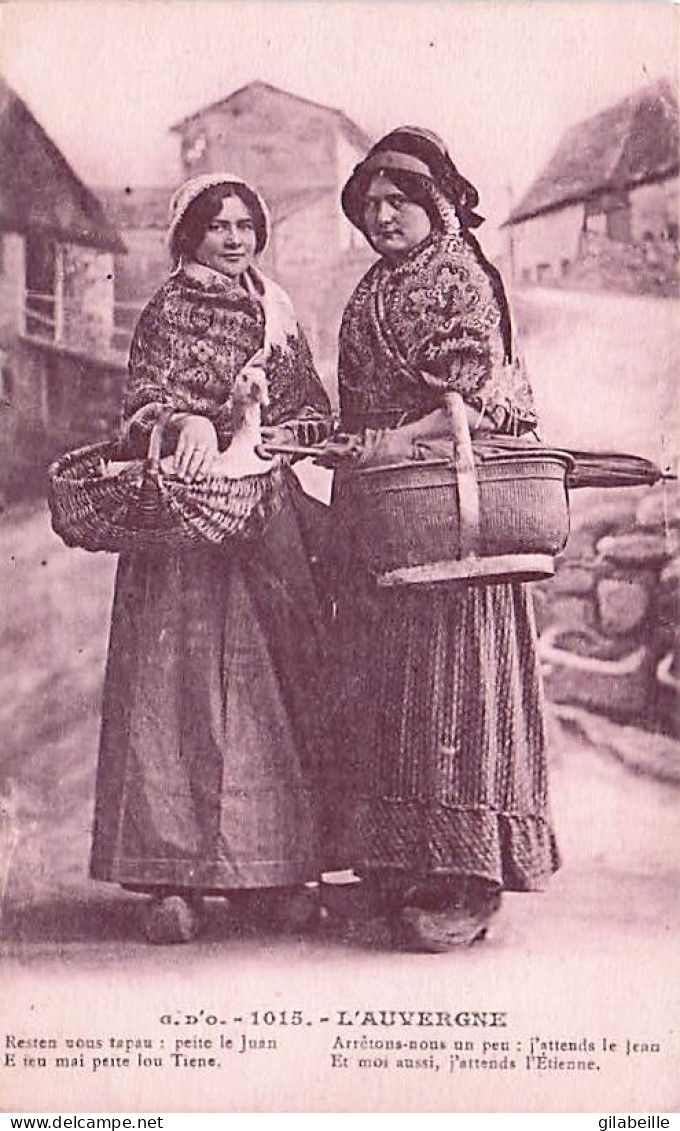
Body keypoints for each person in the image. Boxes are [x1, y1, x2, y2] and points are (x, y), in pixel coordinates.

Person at [325, 127, 559, 952]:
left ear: (433, 205)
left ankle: (466, 875)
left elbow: (473, 392)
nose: (383, 217)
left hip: (445, 503)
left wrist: (396, 439)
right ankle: (395, 864)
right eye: (371, 206)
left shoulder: (457, 273)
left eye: (399, 202)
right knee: (383, 681)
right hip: (383, 506)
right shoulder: (375, 287)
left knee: (455, 681)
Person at [89, 173, 332, 943]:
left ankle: (272, 868)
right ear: (188, 237)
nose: (234, 238)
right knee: (181, 688)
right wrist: (185, 421)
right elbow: (139, 406)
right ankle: (170, 875)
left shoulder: (278, 310)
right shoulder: (169, 309)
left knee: (275, 677)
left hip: (263, 512)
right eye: (217, 226)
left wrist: (277, 423)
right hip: (188, 522)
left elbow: (314, 409)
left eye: (245, 225)